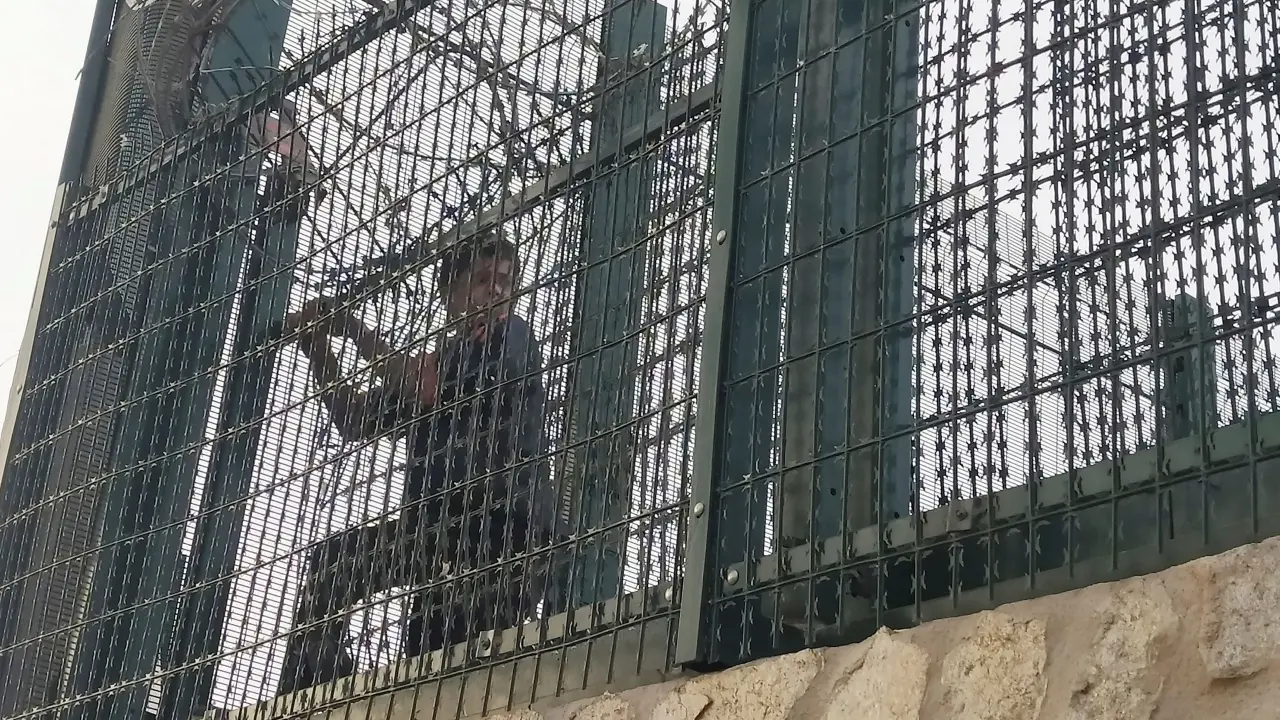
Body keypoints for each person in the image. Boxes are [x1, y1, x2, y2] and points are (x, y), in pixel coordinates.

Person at [276, 232, 552, 694]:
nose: (497, 291)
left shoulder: (511, 336)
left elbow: (423, 385)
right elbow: (355, 419)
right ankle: (315, 690)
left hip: (502, 538)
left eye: (506, 282)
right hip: (439, 536)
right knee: (340, 566)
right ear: (450, 296)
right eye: (483, 280)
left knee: (456, 661)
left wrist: (352, 328)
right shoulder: (446, 357)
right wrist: (316, 346)